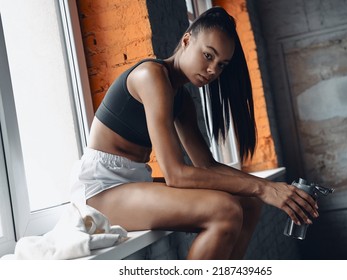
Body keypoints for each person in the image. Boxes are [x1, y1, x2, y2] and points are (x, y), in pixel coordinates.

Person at [72, 6, 319, 259]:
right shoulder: (151, 76)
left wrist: (270, 187)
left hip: (132, 183)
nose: (213, 70)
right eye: (208, 55)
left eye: (221, 65)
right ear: (187, 40)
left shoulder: (182, 99)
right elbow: (176, 176)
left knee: (249, 204)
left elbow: (206, 166)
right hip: (101, 190)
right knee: (226, 210)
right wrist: (263, 188)